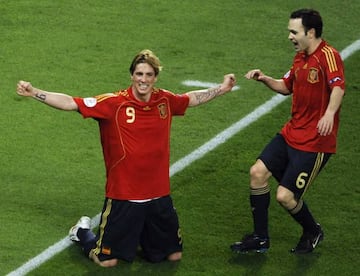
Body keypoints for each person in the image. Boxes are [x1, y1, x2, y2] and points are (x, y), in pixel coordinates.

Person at [17, 49, 236, 267]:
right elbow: (72, 103)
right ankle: (82, 232)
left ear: (155, 77)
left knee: (173, 256)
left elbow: (191, 99)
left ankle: (140, 234)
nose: (143, 80)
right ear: (132, 75)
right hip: (124, 195)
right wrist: (35, 92)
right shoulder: (113, 103)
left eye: (149, 75)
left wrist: (222, 89)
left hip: (158, 194)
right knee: (107, 261)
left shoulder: (164, 101)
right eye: (139, 74)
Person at [230, 8, 345, 254]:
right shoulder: (300, 57)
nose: (290, 36)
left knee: (285, 196)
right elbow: (286, 86)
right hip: (291, 133)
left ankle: (313, 230)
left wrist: (328, 114)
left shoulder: (328, 55)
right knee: (257, 173)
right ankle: (260, 238)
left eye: (294, 31)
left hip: (316, 142)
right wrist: (264, 78)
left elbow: (338, 87)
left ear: (310, 32)